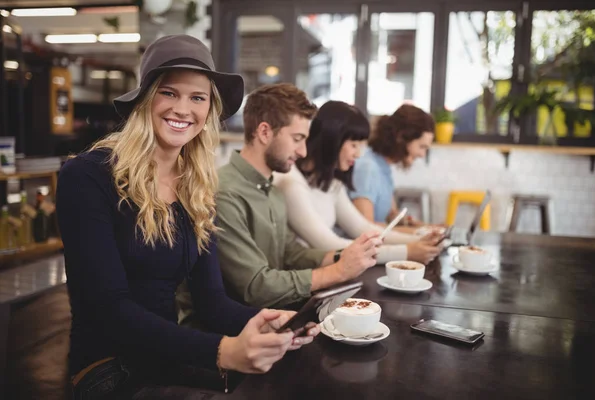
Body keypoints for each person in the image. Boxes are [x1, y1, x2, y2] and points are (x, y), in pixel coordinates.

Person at [56, 35, 318, 400]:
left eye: (198, 97)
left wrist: (277, 321)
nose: (183, 109)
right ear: (145, 99)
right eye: (169, 93)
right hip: (109, 370)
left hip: (167, 356)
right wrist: (223, 351)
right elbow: (109, 309)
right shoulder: (87, 176)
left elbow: (212, 302)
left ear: (208, 110)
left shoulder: (196, 187)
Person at [177, 83, 381, 316]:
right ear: (264, 132)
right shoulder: (225, 194)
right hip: (235, 328)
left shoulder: (272, 189)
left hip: (269, 317)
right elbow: (255, 287)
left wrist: (340, 256)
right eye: (297, 138)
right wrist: (339, 271)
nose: (304, 151)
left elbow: (290, 254)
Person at [273, 101, 442, 265]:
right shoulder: (292, 183)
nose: (359, 154)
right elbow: (328, 244)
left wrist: (419, 240)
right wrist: (407, 251)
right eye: (354, 145)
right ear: (333, 141)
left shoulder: (331, 183)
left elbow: (361, 228)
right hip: (306, 281)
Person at [350, 104, 438, 231]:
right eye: (421, 147)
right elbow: (365, 228)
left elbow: (391, 214)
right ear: (401, 138)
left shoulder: (383, 166)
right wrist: (419, 232)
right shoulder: (368, 168)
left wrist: (426, 227)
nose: (422, 154)